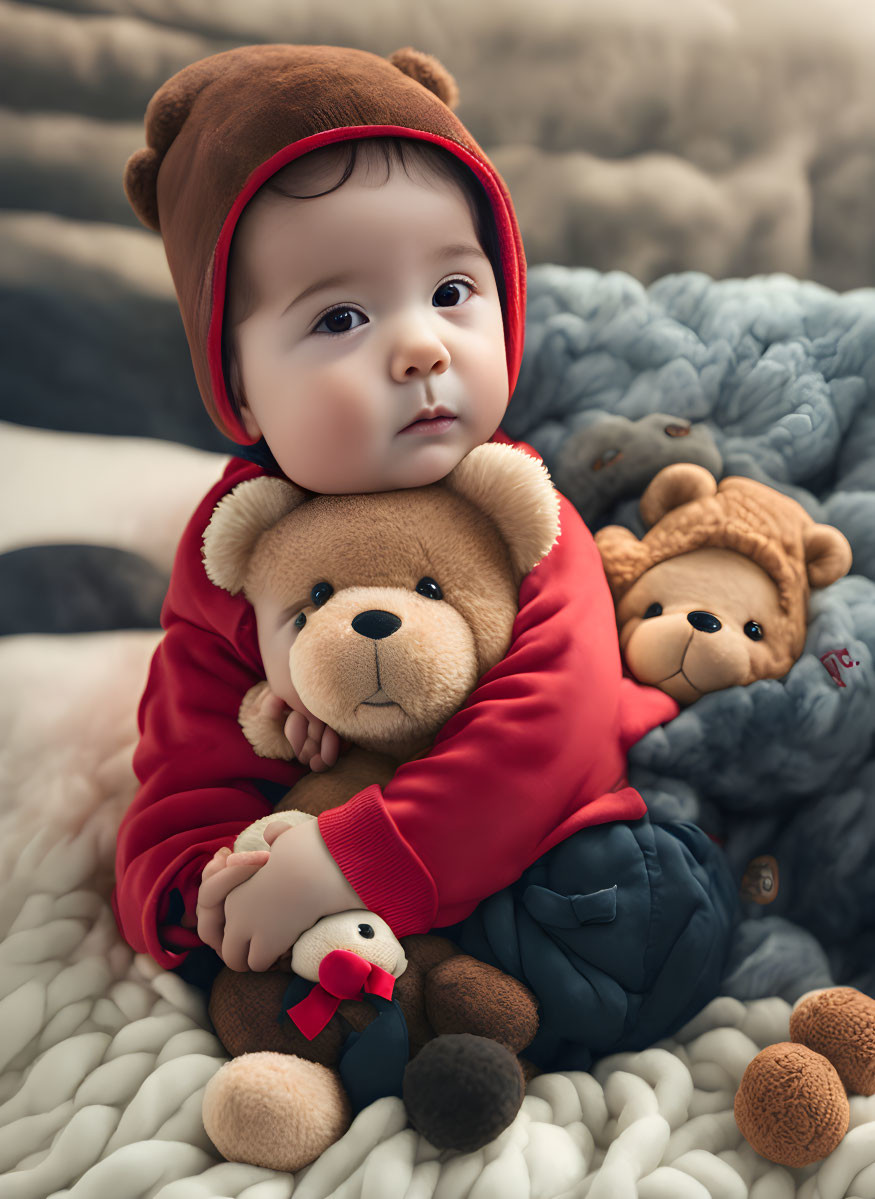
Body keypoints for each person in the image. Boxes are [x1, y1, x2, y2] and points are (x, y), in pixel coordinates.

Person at [113, 42, 738, 1073]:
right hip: (347, 887)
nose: (421, 346)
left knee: (634, 892)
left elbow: (554, 724)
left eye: (453, 289)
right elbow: (184, 758)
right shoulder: (237, 545)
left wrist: (350, 860)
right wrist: (201, 888)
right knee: (253, 957)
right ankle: (394, 1010)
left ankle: (452, 1003)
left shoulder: (513, 504)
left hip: (525, 844)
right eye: (341, 317)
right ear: (238, 381)